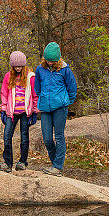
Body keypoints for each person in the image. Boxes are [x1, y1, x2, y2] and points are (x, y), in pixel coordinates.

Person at [34, 42, 77, 176]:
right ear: (44, 58)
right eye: (48, 60)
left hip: (60, 108)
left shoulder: (65, 70)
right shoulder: (40, 69)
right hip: (45, 108)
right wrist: (42, 98)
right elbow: (37, 87)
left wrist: (65, 101)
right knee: (47, 138)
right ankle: (55, 165)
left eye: (53, 61)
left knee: (59, 137)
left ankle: (58, 166)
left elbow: (72, 88)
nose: (51, 63)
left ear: (58, 59)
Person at [0, 51, 38, 173]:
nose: (18, 68)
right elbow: (4, 93)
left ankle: (22, 162)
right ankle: (7, 163)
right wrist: (3, 109)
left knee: (24, 137)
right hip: (11, 112)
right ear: (12, 66)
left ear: (24, 65)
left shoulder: (31, 77)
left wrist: (35, 111)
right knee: (7, 136)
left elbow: (35, 95)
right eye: (16, 66)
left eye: (20, 66)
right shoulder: (8, 76)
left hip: (25, 113)